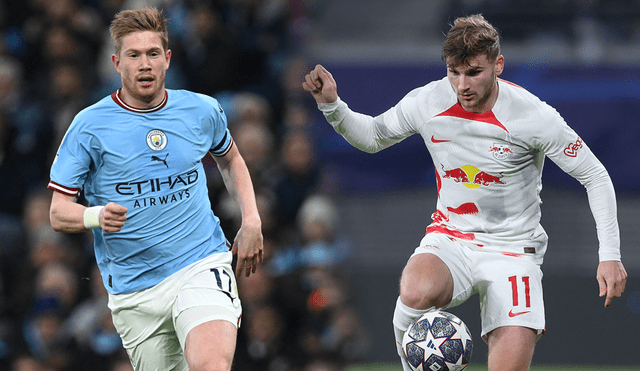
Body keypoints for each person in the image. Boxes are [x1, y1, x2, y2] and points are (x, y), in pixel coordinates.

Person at [302, 14, 627, 371]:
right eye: (453, 72)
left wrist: (610, 254)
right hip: (452, 236)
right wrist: (332, 106)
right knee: (415, 289)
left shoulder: (533, 116)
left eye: (473, 72)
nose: (462, 84)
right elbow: (373, 136)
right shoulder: (427, 101)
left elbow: (595, 175)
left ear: (498, 65)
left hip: (514, 249)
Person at [47, 7, 263, 371]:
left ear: (167, 59)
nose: (144, 64)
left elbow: (231, 160)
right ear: (117, 62)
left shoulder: (201, 110)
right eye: (133, 55)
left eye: (152, 54)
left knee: (211, 364)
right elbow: (57, 210)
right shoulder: (88, 127)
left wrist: (252, 219)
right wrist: (95, 215)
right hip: (135, 291)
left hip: (200, 262)